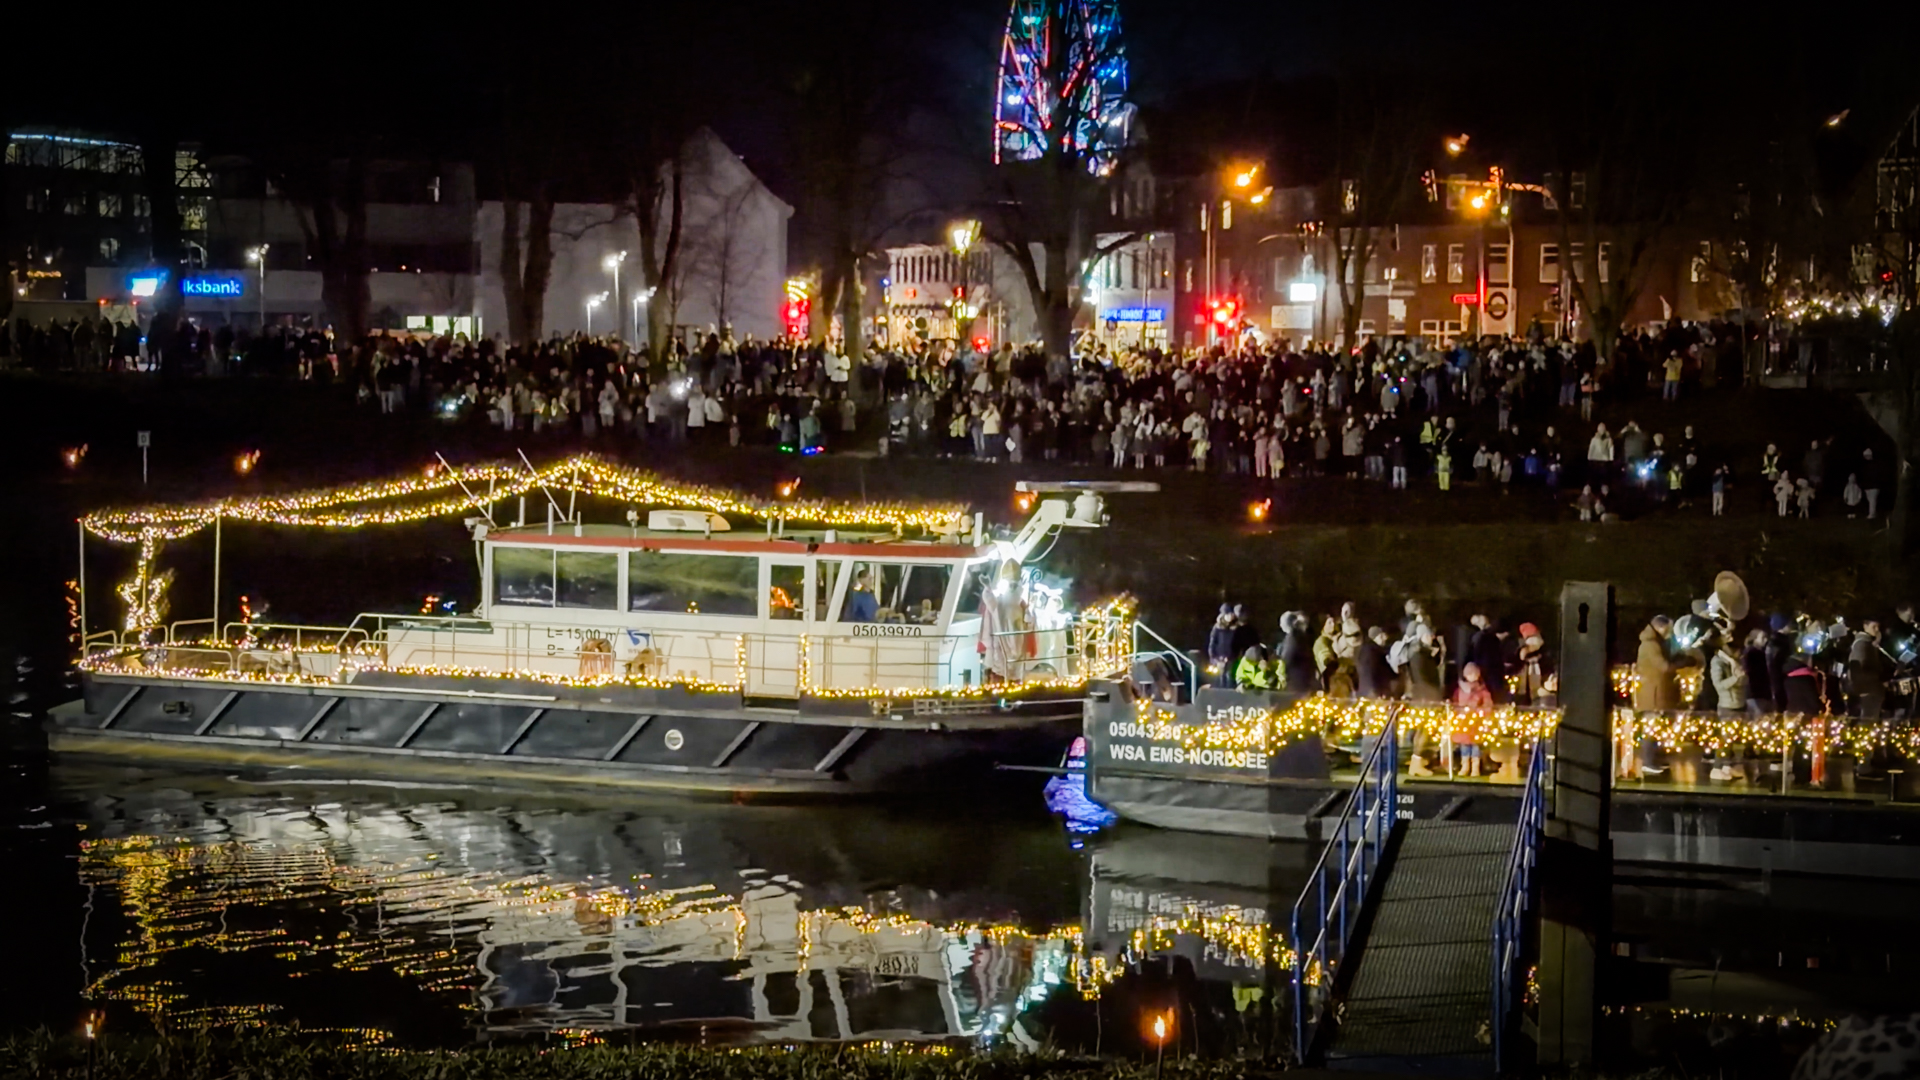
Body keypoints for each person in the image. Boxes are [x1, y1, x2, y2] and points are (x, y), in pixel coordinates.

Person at [1451, 661, 1493, 777]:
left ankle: (1475, 767)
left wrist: (1482, 713)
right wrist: (1457, 713)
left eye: (1474, 674)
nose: (1472, 677)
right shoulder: (1460, 690)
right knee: (1464, 746)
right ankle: (1465, 766)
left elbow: (1487, 704)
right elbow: (1455, 703)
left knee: (1475, 746)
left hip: (1476, 722)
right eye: (1470, 674)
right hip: (1463, 722)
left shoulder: (1482, 690)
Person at [1848, 620, 1890, 721]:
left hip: (1870, 689)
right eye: (1874, 627)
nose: (1877, 630)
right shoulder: (1862, 644)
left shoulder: (1869, 643)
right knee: (1868, 721)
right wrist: (1879, 678)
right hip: (1868, 690)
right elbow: (1857, 670)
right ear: (1865, 626)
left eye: (1878, 627)